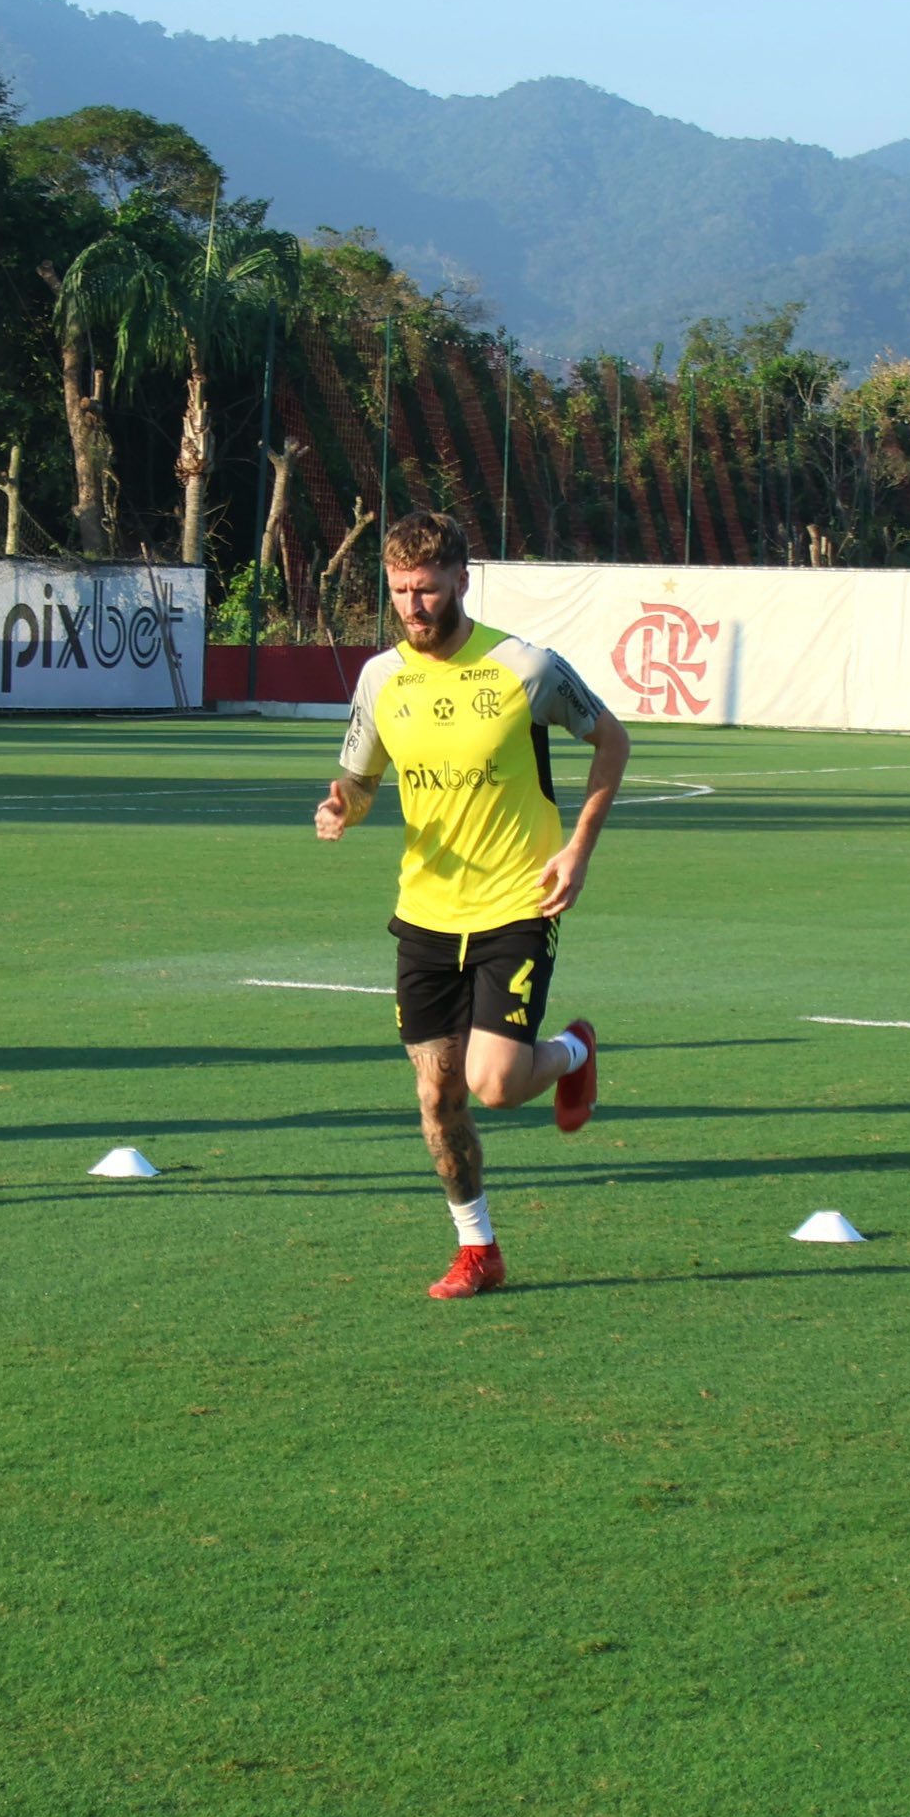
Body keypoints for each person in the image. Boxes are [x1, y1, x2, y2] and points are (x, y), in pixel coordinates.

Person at [313, 510, 628, 1300]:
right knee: (436, 1094)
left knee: (492, 1083)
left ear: (460, 579)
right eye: (399, 593)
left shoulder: (525, 668)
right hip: (423, 914)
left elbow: (611, 740)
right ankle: (477, 1249)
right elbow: (360, 778)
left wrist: (578, 849)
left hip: (517, 904)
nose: (413, 606)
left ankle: (573, 1053)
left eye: (425, 589)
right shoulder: (381, 679)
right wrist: (342, 807)